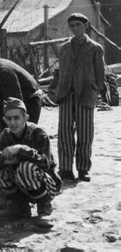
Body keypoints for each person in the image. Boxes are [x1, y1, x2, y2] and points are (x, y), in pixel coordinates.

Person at [0, 98, 61, 224]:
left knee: (26, 168)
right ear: (4, 119)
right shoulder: (7, 134)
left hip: (46, 184)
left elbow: (46, 163)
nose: (13, 122)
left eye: (16, 118)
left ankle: (44, 207)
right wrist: (7, 161)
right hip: (21, 183)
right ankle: (19, 206)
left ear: (26, 117)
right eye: (9, 118)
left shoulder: (38, 133)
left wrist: (21, 149)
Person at [55, 13, 105, 182]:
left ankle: (83, 169)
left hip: (85, 93)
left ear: (85, 26)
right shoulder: (64, 48)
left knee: (85, 132)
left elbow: (100, 74)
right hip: (66, 94)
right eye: (72, 25)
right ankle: (65, 168)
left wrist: (95, 90)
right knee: (65, 132)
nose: (75, 28)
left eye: (78, 25)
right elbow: (61, 71)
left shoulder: (95, 48)